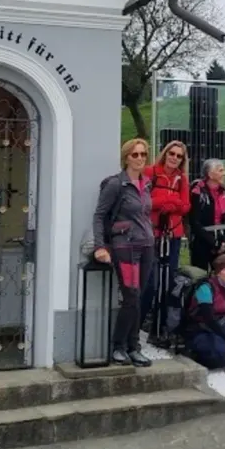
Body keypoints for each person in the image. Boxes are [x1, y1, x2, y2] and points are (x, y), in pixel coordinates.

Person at [93, 138, 156, 367]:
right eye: (135, 155)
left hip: (146, 245)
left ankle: (134, 347)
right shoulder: (115, 185)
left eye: (143, 154)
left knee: (139, 298)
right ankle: (119, 346)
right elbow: (99, 216)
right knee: (131, 297)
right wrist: (100, 245)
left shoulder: (146, 184)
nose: (140, 159)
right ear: (126, 157)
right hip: (125, 246)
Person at [143, 140, 191, 327]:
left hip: (173, 234)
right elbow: (144, 201)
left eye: (179, 156)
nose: (174, 158)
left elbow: (186, 206)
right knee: (150, 280)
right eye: (172, 154)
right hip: (152, 233)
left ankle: (161, 323)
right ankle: (143, 320)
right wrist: (165, 202)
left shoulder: (182, 179)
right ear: (165, 154)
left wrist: (174, 205)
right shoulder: (150, 173)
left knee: (168, 278)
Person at [185, 254, 225, 369]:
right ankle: (201, 353)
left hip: (219, 325)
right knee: (224, 359)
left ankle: (222, 348)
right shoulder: (205, 288)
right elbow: (209, 318)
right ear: (218, 272)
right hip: (200, 329)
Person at [187, 158, 225, 271]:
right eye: (220, 170)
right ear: (210, 174)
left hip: (222, 240)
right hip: (202, 242)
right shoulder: (197, 192)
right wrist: (214, 243)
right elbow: (194, 222)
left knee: (222, 275)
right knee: (200, 276)